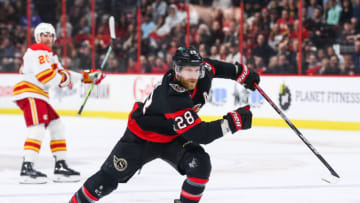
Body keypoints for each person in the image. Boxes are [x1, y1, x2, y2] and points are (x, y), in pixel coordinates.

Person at [69, 47, 260, 203]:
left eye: (196, 70)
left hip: (172, 136)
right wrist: (234, 122)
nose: (193, 75)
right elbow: (200, 134)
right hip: (141, 139)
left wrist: (242, 74)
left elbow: (216, 66)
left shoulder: (204, 71)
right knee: (107, 180)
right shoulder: (171, 96)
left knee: (200, 165)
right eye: (187, 70)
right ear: (177, 70)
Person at [13, 23, 105, 184]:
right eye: (44, 35)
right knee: (38, 128)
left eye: (50, 35)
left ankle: (60, 166)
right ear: (37, 37)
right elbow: (46, 76)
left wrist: (87, 77)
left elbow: (62, 76)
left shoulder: (50, 56)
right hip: (31, 92)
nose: (47, 38)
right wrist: (64, 78)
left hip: (38, 95)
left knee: (57, 126)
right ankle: (27, 168)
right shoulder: (38, 50)